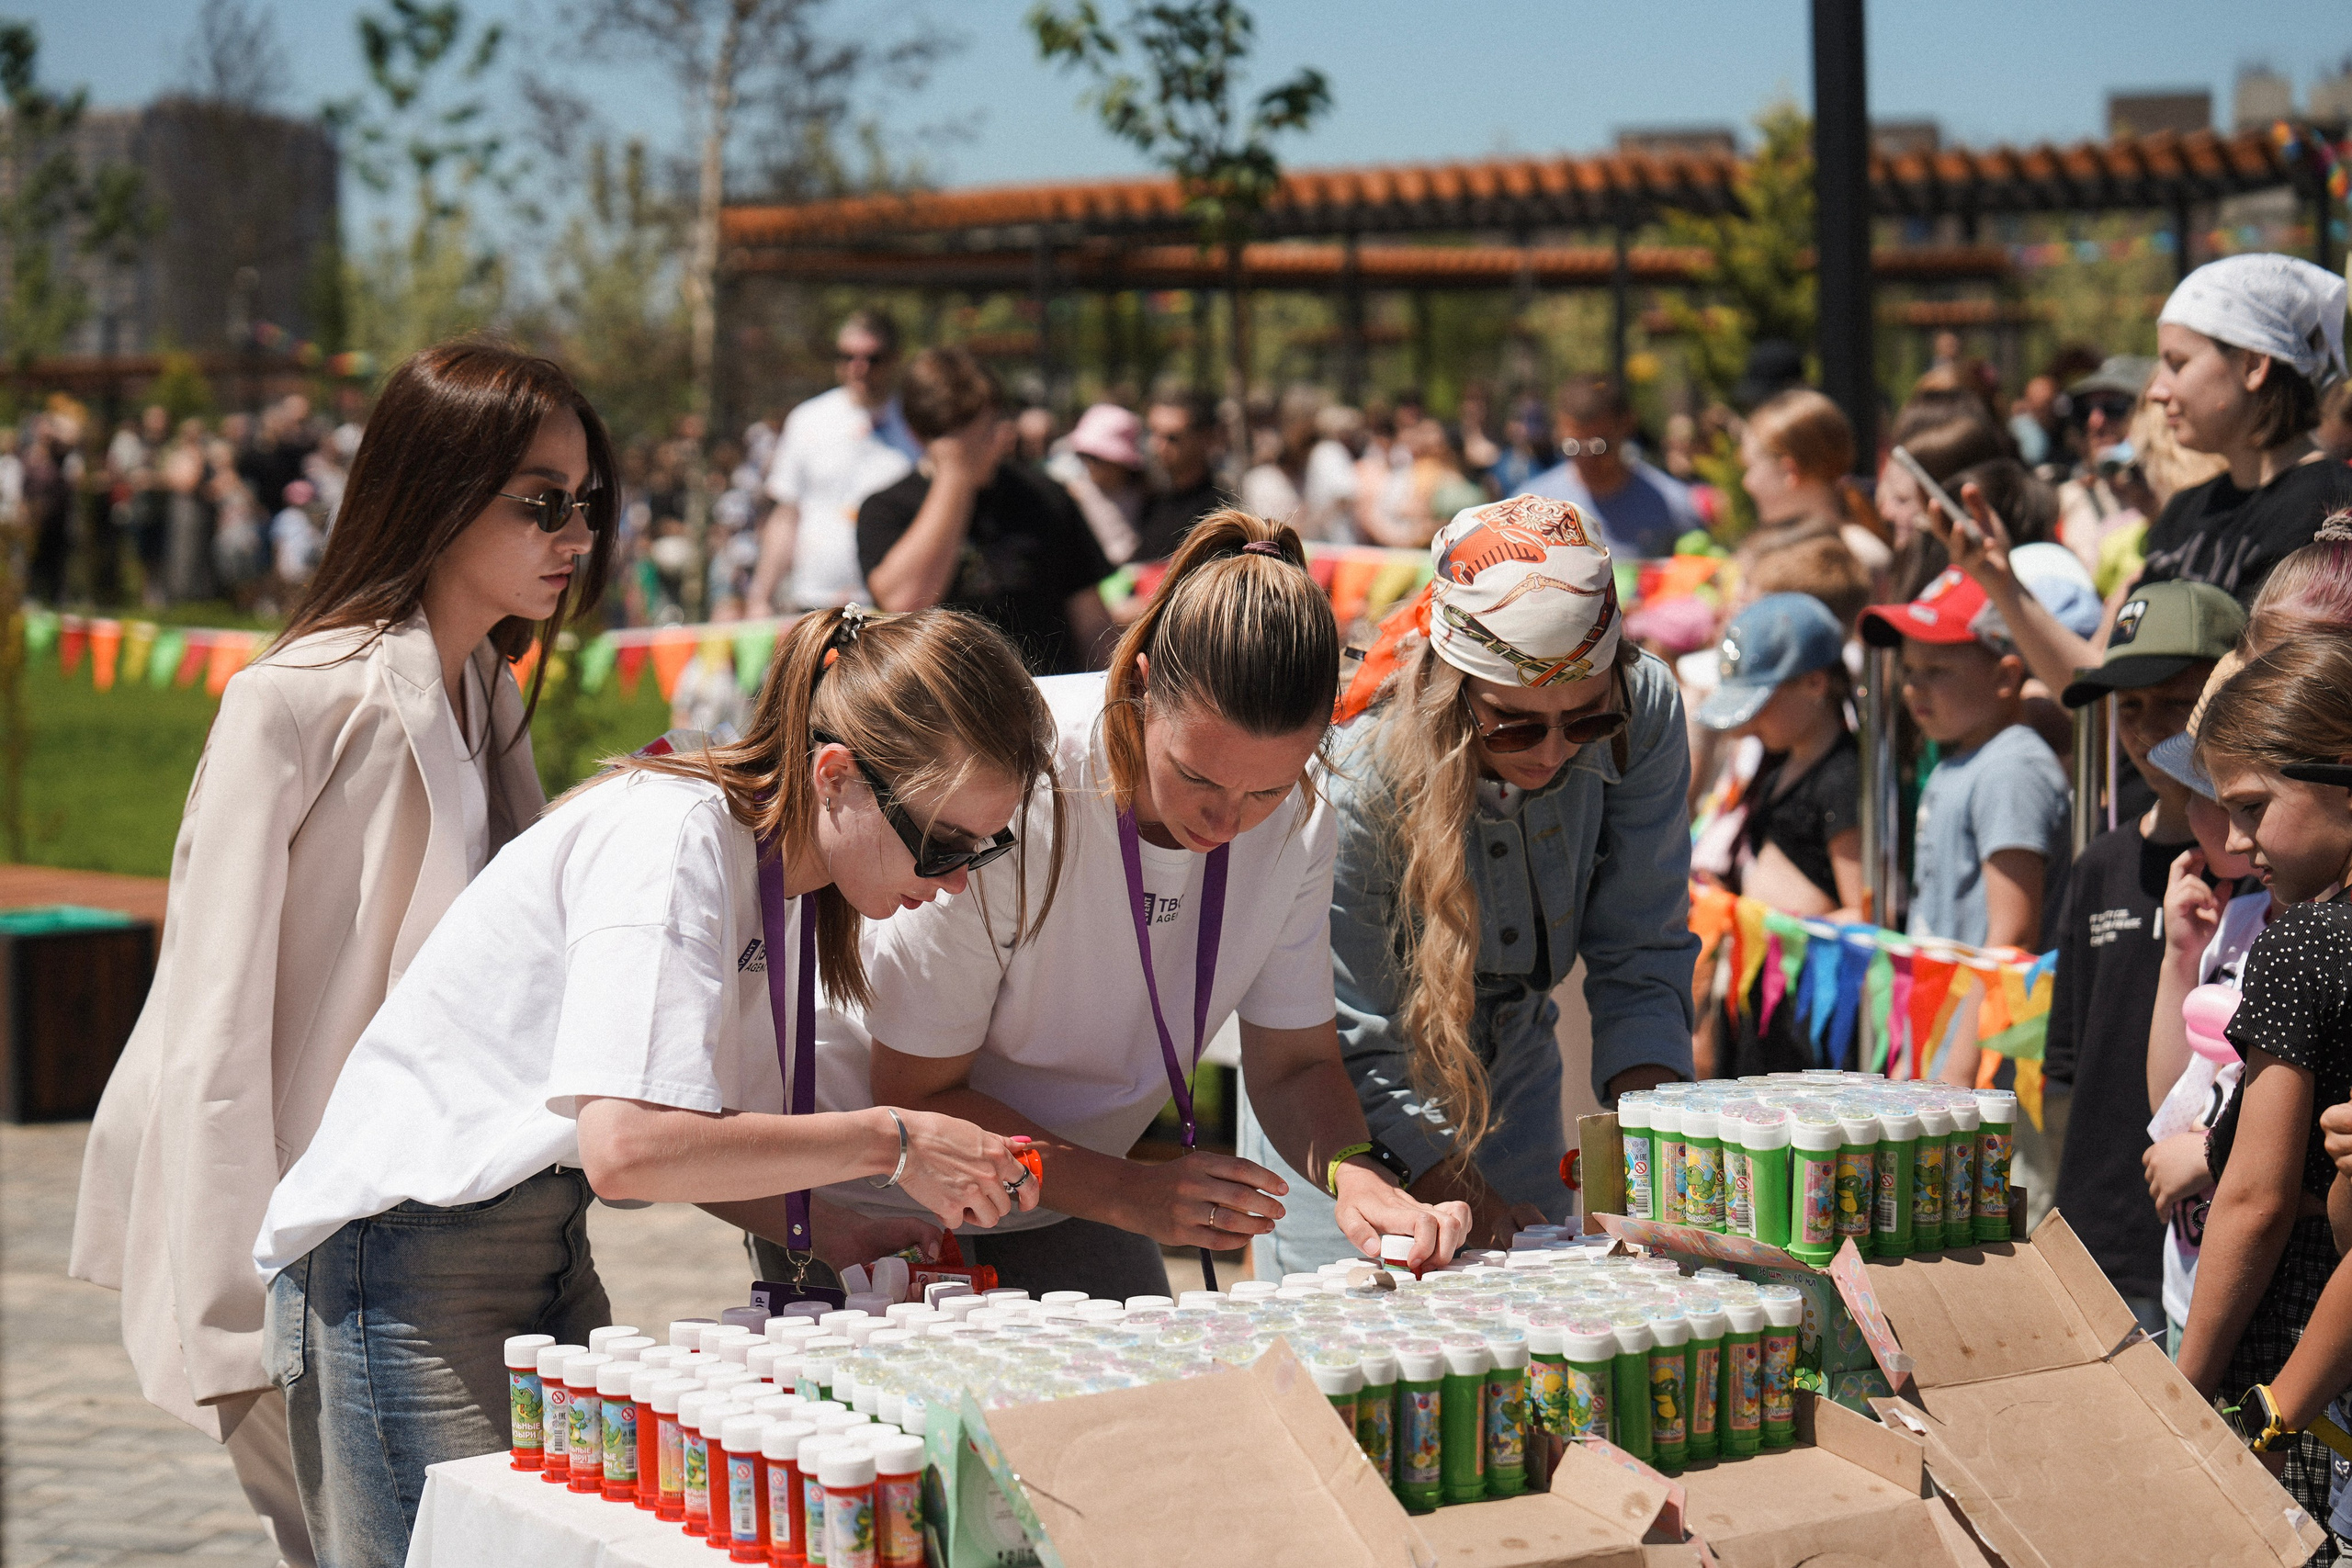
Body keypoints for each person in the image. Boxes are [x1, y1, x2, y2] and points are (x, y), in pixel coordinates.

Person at [254, 606, 1055, 1566]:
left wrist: (826, 1225)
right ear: (835, 775)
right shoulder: (673, 840)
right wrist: (895, 1140)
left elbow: (694, 1135)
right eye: (943, 842)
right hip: (400, 1263)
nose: (960, 880)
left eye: (985, 848)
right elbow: (630, 1148)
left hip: (527, 1240)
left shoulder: (781, 880)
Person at [69, 341, 617, 1568]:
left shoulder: (488, 691)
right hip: (311, 1236)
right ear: (434, 486)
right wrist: (230, 1309)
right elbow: (211, 1020)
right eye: (540, 498)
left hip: (464, 1216)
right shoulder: (298, 698)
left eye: (588, 499)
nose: (573, 528)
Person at [810, 513, 1473, 1298]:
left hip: (1075, 1190)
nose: (1226, 821)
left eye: (1264, 789)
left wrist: (1355, 1173)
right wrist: (1132, 1193)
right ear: (1144, 682)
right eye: (1197, 775)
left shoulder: (1304, 815)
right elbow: (918, 1092)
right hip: (875, 1195)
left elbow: (1295, 1065)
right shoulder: (1015, 783)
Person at [1246, 494, 1699, 1268]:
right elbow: (1349, 1034)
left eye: (1585, 720)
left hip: (1513, 1077)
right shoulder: (1355, 775)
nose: (1555, 751)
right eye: (1516, 725)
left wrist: (1648, 1144)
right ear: (1452, 690)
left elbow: (1641, 951)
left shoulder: (1643, 710)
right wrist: (1457, 1191)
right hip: (1352, 1113)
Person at [1928, 254, 2352, 703]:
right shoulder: (2190, 508)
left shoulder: (2328, 512)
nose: (2156, 390)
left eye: (2178, 362)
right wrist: (2001, 582)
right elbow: (2098, 686)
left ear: (2252, 365)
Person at [2171, 635, 2352, 1544]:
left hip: (2295, 1377)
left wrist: (2185, 1390)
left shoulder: (2305, 945)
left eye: (2252, 808)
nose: (2235, 845)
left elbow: (2255, 1194)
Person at [2045, 581, 2242, 1337]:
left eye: (2173, 702)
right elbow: (2070, 1068)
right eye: (2128, 707)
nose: (2145, 728)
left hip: (2201, 1237)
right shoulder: (2099, 864)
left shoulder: (2258, 876)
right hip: (2097, 1229)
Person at [1860, 569, 2070, 998]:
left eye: (1937, 670)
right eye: (1910, 668)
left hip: (1981, 1047)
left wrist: (1959, 1063)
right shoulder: (1960, 760)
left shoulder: (2012, 768)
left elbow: (2012, 938)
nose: (1913, 686)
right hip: (1940, 1032)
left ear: (2006, 678)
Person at [858, 347, 1113, 676]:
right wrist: (954, 476)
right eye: (980, 431)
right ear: (919, 436)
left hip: (1047, 699)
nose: (999, 439)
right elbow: (904, 602)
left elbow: (1092, 624)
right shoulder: (886, 509)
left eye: (995, 421)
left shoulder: (1045, 497)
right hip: (946, 715)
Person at [1689, 592, 1860, 1078]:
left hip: (1806, 1000)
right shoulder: (1777, 762)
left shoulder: (1842, 776)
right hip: (1759, 988)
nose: (1749, 723)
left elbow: (1865, 910)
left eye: (1761, 706)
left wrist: (1780, 929)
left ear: (1814, 683)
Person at [748, 309, 922, 613]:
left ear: (894, 358)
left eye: (872, 358)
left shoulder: (919, 423)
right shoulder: (807, 420)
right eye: (847, 356)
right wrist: (761, 597)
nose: (859, 367)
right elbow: (787, 515)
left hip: (895, 610)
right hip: (815, 604)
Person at [1517, 376, 1702, 559]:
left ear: (1627, 424)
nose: (1587, 459)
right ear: (1558, 431)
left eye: (1599, 447)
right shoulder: (1530, 510)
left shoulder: (1675, 506)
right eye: (1573, 447)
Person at [1736, 388, 1892, 577]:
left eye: (1749, 467)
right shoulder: (1766, 548)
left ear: (1789, 471)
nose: (1746, 483)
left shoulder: (1857, 557)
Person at [1046, 401, 1147, 566]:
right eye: (1083, 455)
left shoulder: (1146, 496)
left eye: (1096, 458)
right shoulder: (1075, 493)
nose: (1088, 464)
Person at [1132, 389, 1228, 562]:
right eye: (1152, 432)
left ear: (1205, 438)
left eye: (1172, 438)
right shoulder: (1153, 501)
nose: (1158, 446)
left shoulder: (1216, 514)